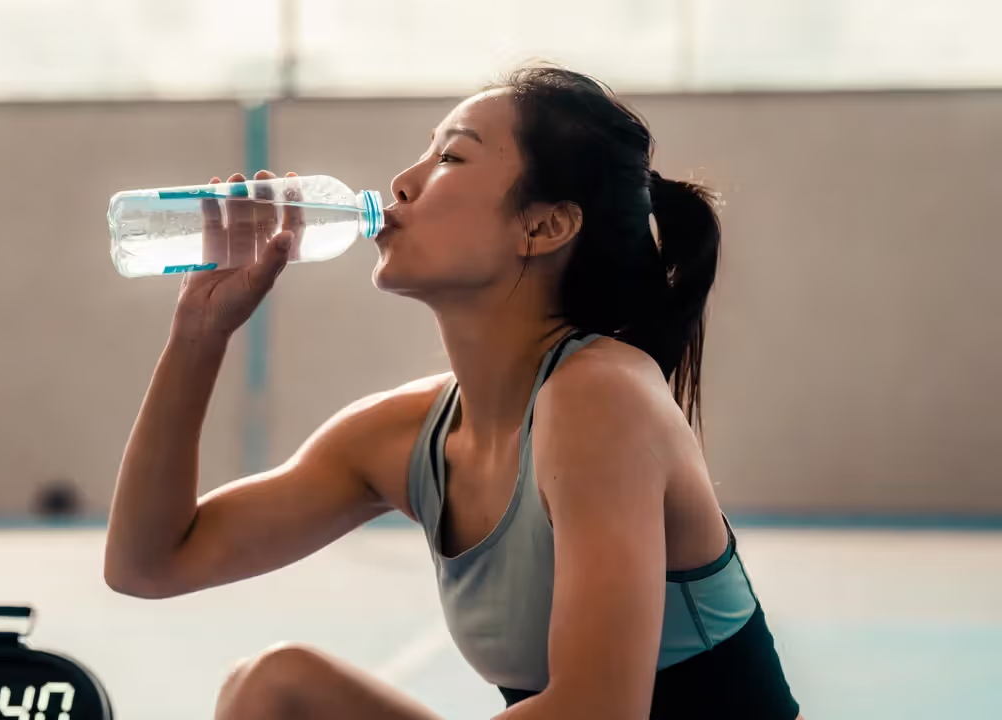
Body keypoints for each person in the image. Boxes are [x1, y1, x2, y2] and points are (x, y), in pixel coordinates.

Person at [103, 67, 801, 720]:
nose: (402, 183)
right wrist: (199, 336)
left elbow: (597, 712)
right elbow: (150, 563)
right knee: (275, 688)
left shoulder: (602, 395)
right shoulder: (403, 437)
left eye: (450, 159)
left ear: (544, 225)